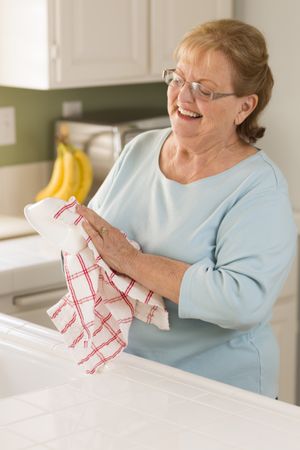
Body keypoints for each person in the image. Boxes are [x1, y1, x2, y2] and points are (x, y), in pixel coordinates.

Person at [77, 19, 296, 398]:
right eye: (177, 79)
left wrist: (130, 261)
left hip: (222, 395)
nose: (183, 97)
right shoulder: (141, 149)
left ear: (245, 106)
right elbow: (94, 239)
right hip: (130, 377)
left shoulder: (259, 188)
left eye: (205, 90)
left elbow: (240, 302)